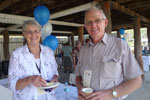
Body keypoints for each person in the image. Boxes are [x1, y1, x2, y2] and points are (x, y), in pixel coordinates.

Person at [75, 7, 143, 100]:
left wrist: (111, 94)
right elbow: (78, 76)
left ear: (105, 23)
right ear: (86, 26)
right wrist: (79, 88)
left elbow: (136, 81)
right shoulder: (83, 50)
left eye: (97, 20)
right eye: (89, 22)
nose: (93, 25)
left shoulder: (120, 45)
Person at [8, 20, 59, 100]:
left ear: (40, 33)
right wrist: (30, 79)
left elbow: (55, 71)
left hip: (50, 97)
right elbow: (12, 85)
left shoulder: (49, 52)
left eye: (36, 31)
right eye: (29, 32)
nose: (33, 35)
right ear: (24, 34)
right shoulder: (16, 55)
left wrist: (55, 77)